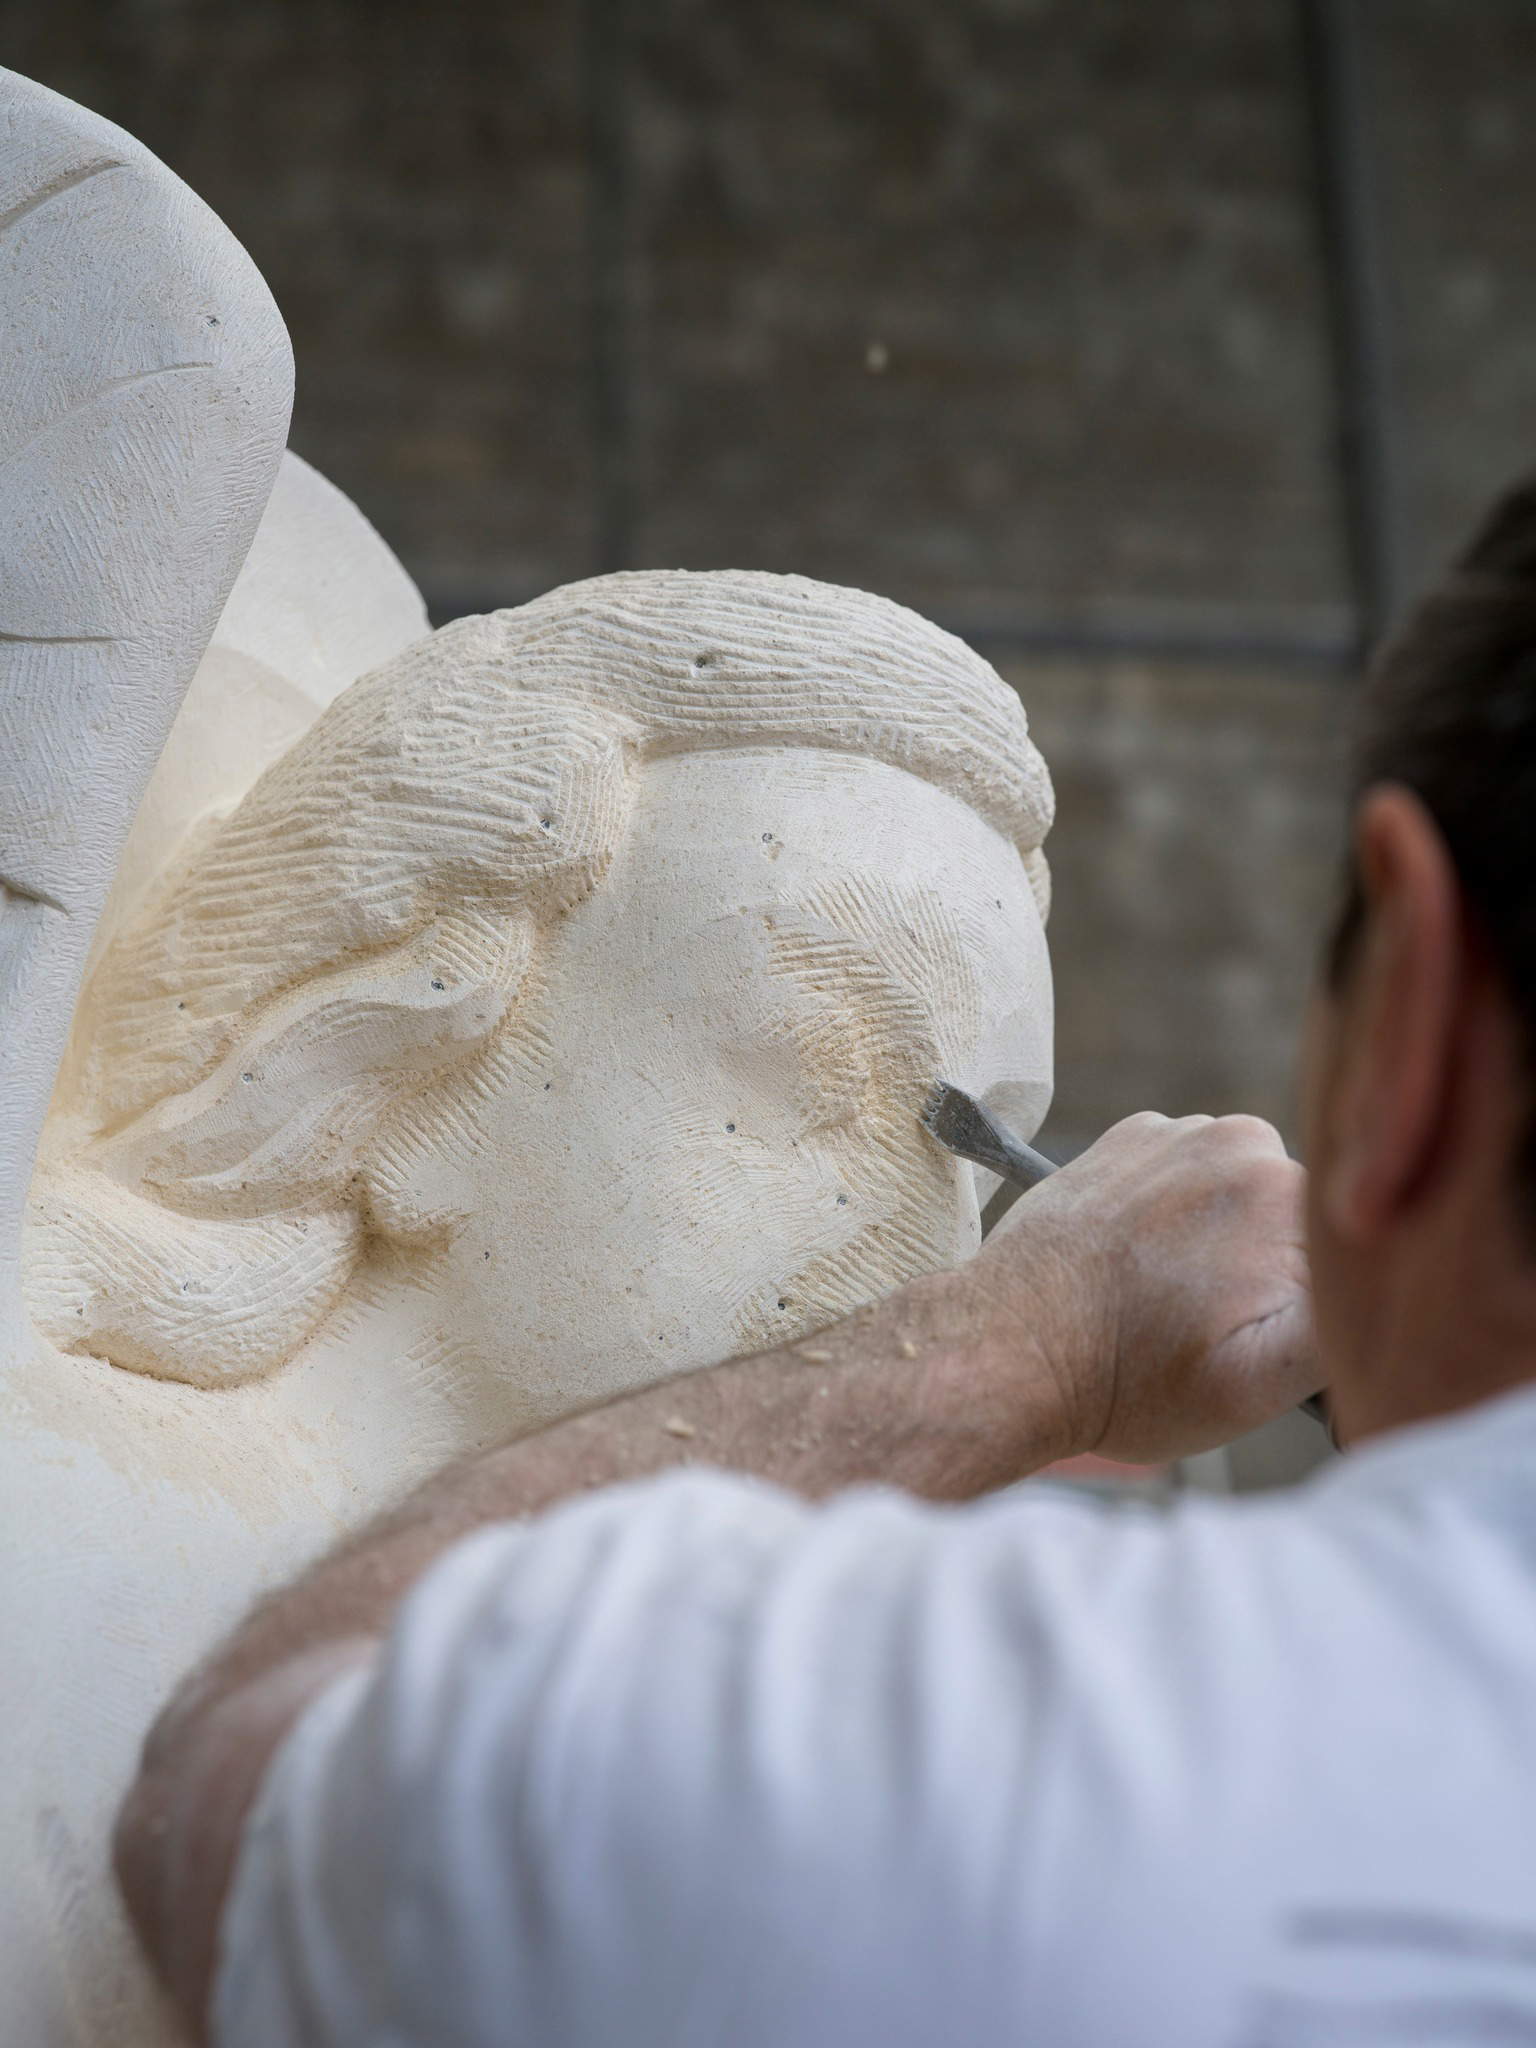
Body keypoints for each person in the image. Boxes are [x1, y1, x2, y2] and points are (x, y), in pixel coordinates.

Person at [115, 478, 1536, 2046]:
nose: (930, 1272)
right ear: (407, 1038)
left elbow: (244, 1800)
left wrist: (1037, 1337)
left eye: (982, 1174)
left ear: (1410, 1010)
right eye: (823, 1064)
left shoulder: (963, 1775)